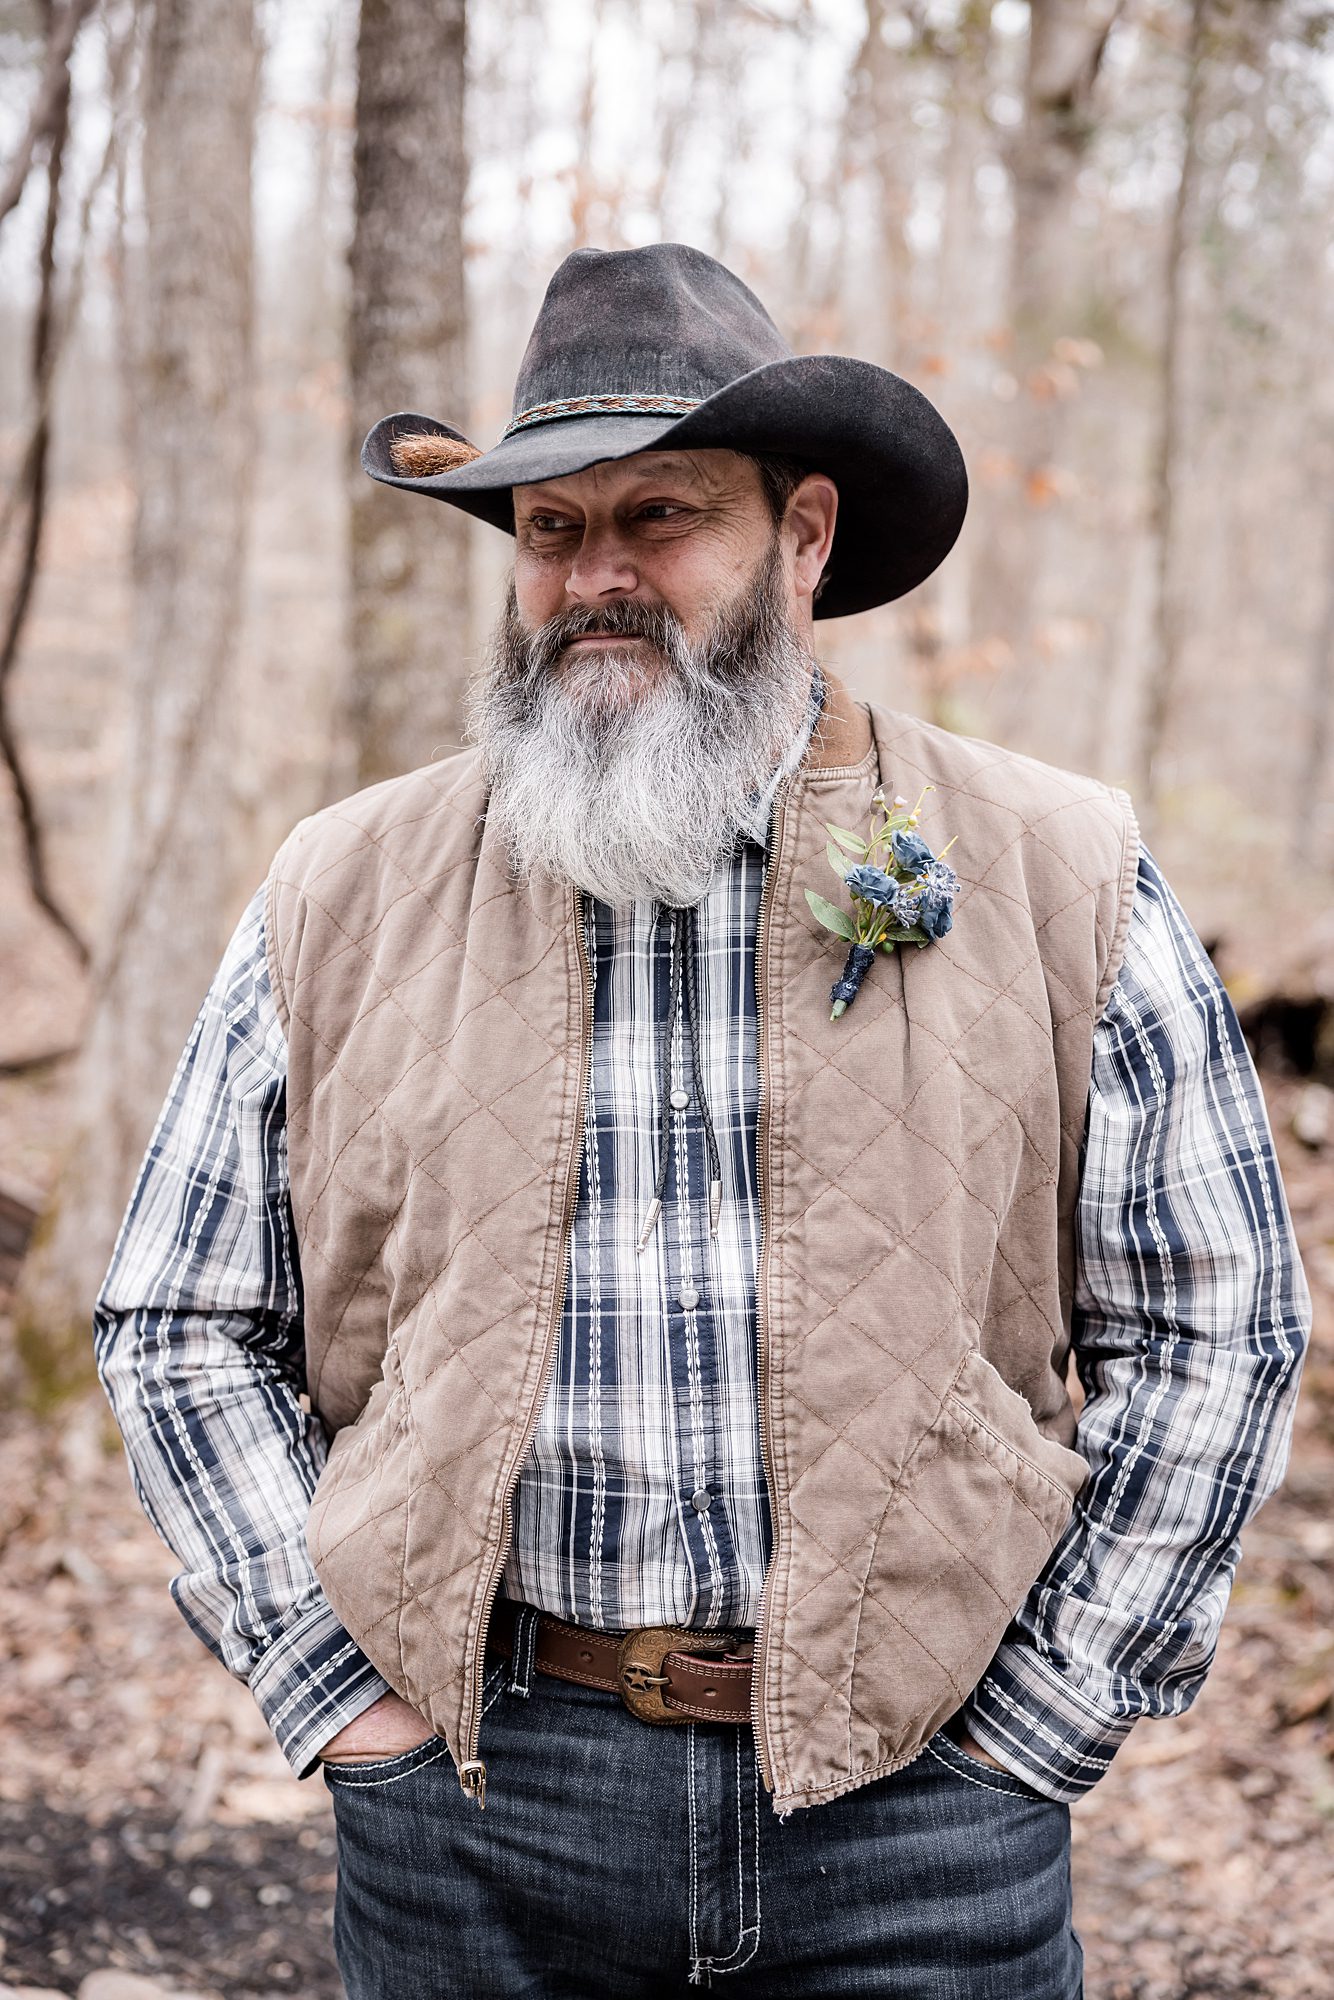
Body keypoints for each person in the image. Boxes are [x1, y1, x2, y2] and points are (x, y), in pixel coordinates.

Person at [95, 243, 1310, 1999]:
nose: (598, 579)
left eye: (658, 517)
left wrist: (1035, 1725)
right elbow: (180, 1316)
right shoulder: (337, 888)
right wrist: (336, 1697)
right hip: (479, 1805)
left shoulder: (1054, 865)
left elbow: (1215, 1322)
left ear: (802, 537)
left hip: (917, 1818)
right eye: (550, 533)